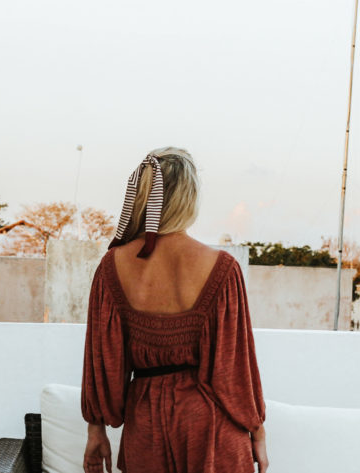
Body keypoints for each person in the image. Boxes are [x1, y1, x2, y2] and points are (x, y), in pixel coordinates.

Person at [80, 147, 269, 473]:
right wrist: (257, 430)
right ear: (189, 198)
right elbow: (235, 368)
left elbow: (103, 359)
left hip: (146, 423)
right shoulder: (222, 268)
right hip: (211, 424)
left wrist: (96, 430)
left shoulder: (113, 266)